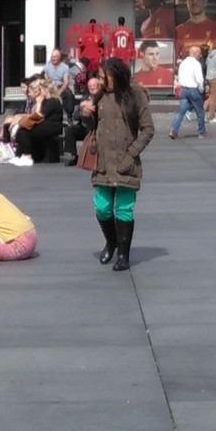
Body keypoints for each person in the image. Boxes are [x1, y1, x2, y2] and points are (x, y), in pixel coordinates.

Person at [83, 55, 153, 272]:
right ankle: (111, 242)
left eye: (105, 76)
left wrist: (131, 154)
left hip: (126, 163)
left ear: (117, 75)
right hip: (103, 162)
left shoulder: (136, 96)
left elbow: (148, 129)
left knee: (124, 209)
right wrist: (84, 114)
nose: (102, 81)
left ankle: (123, 254)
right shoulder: (100, 97)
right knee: (102, 208)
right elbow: (90, 127)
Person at [168, 43, 207, 139]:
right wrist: (201, 89)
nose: (200, 55)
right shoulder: (196, 64)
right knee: (200, 112)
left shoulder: (183, 63)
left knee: (181, 112)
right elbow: (199, 79)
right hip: (194, 89)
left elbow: (180, 76)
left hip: (184, 89)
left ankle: (173, 130)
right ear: (194, 53)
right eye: (199, 53)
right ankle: (202, 132)